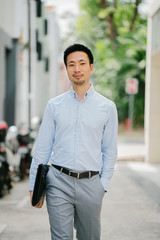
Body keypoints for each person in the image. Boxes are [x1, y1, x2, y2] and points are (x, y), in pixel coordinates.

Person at [29, 43, 118, 240]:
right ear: (67, 69)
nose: (77, 69)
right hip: (58, 181)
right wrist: (33, 185)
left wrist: (102, 185)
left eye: (82, 63)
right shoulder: (54, 105)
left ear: (91, 67)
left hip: (91, 184)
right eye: (71, 64)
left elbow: (110, 150)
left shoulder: (107, 107)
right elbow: (43, 147)